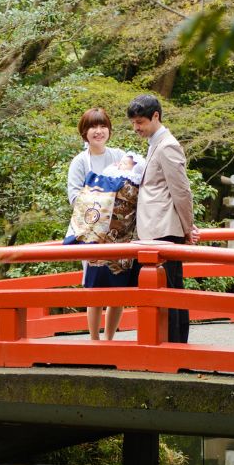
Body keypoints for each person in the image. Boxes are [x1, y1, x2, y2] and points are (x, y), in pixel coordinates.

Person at [65, 107, 143, 340]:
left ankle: (110, 338)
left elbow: (133, 185)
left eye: (102, 126)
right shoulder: (80, 162)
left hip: (119, 231)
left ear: (109, 130)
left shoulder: (120, 155)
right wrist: (104, 199)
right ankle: (94, 340)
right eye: (92, 127)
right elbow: (75, 197)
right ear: (84, 132)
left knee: (117, 284)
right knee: (96, 286)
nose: (98, 131)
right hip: (92, 232)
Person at [128, 93, 197, 344]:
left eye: (140, 122)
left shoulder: (167, 146)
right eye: (134, 123)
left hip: (164, 230)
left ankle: (175, 344)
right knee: (167, 289)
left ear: (155, 116)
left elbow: (181, 190)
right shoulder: (155, 144)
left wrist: (187, 228)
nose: (136, 128)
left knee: (171, 290)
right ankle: (171, 343)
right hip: (156, 229)